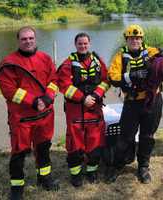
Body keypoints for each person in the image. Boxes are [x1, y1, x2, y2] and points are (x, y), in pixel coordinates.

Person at [0, 26, 59, 200]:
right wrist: (33, 101)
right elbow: (8, 90)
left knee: (44, 148)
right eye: (24, 39)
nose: (28, 41)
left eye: (31, 38)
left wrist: (47, 98)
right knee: (19, 153)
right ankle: (17, 187)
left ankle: (44, 178)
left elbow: (54, 80)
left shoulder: (45, 58)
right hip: (21, 119)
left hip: (44, 116)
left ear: (35, 39)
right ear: (18, 40)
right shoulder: (8, 63)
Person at [107, 24, 163, 184]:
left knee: (147, 135)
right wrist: (132, 76)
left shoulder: (152, 52)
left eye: (138, 38)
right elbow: (113, 77)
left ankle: (143, 166)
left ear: (142, 39)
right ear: (127, 40)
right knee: (125, 136)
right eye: (131, 38)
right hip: (132, 102)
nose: (135, 41)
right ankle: (119, 164)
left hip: (152, 101)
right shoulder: (120, 56)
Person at [57, 32, 109, 187]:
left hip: (94, 108)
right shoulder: (67, 64)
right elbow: (63, 85)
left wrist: (95, 94)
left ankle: (91, 171)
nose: (83, 46)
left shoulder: (98, 61)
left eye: (85, 43)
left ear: (89, 44)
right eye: (80, 43)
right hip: (76, 111)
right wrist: (82, 98)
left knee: (95, 141)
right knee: (75, 143)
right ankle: (76, 174)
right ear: (75, 45)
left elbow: (106, 80)